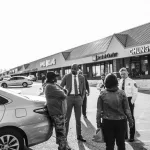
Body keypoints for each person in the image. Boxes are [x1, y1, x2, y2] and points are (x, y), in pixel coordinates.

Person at [96, 73, 133, 150]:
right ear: (116, 82)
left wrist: (98, 124)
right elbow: (127, 109)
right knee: (121, 144)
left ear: (106, 82)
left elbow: (99, 111)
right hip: (121, 122)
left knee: (109, 145)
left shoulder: (102, 94)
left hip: (107, 121)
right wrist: (130, 121)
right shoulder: (122, 93)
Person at [45, 71, 72, 150]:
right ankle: (63, 147)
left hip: (58, 111)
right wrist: (64, 91)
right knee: (61, 131)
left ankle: (63, 146)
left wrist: (63, 90)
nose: (57, 78)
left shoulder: (53, 85)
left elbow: (63, 90)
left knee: (60, 130)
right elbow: (63, 95)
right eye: (55, 77)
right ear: (52, 78)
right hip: (56, 112)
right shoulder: (50, 86)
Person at [60, 64, 86, 142]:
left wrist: (82, 98)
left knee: (78, 119)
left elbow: (84, 89)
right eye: (72, 68)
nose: (73, 70)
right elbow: (61, 87)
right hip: (69, 98)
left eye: (74, 68)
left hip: (78, 98)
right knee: (67, 119)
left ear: (78, 69)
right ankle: (65, 137)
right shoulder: (66, 76)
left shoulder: (82, 77)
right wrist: (64, 95)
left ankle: (79, 135)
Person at [118, 67, 138, 142]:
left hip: (129, 100)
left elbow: (135, 93)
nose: (122, 75)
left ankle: (132, 136)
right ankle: (125, 135)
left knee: (131, 118)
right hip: (121, 101)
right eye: (121, 74)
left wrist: (131, 102)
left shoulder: (132, 82)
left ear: (127, 73)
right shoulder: (120, 81)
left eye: (124, 74)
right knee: (123, 118)